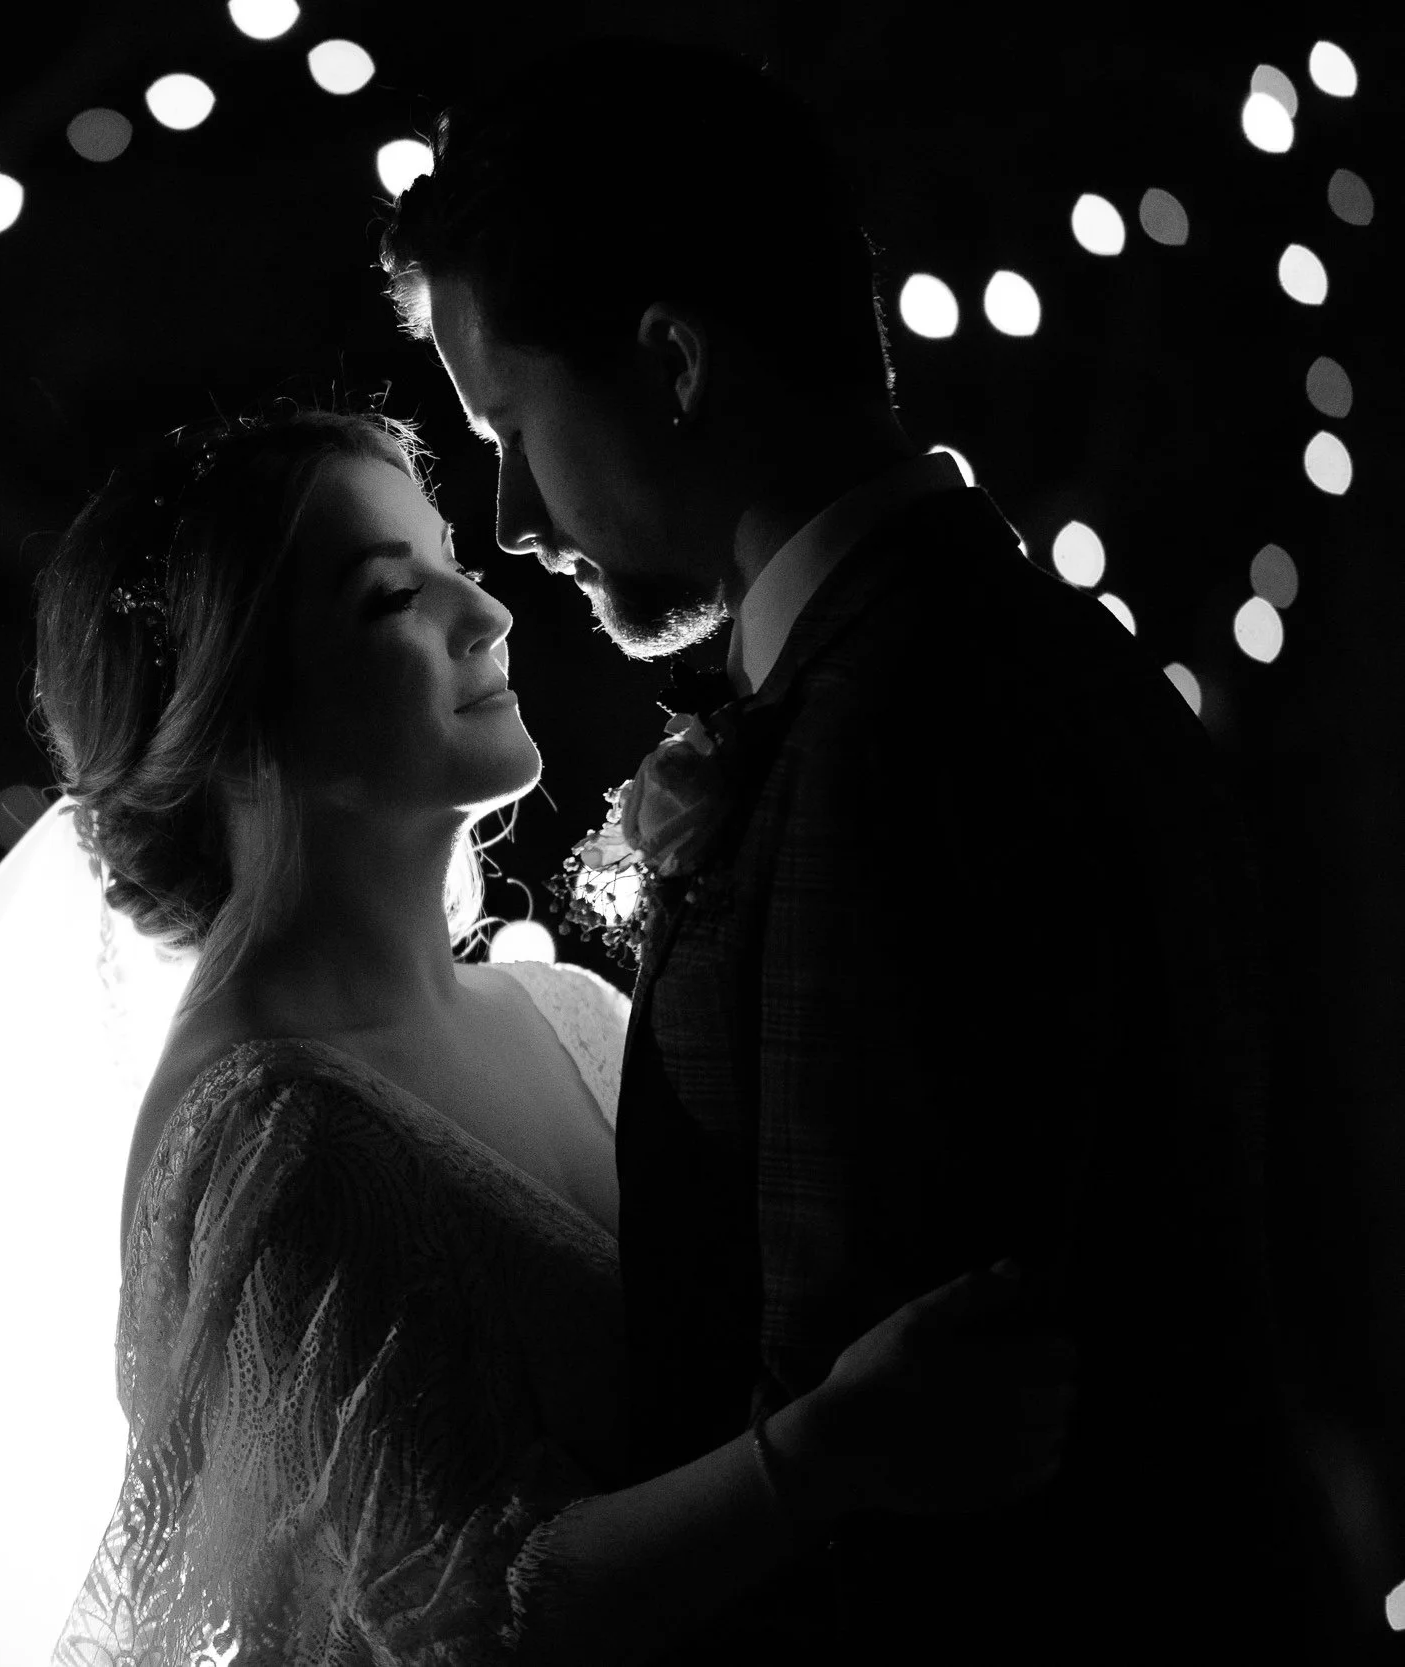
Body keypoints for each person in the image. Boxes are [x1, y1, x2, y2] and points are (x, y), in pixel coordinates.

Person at [380, 35, 1311, 1662]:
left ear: (672, 360)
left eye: (514, 421)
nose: (516, 515)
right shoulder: (999, 657)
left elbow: (886, 1492)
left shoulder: (902, 728)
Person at [44, 404, 1072, 1662]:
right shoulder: (276, 1139)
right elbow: (463, 1615)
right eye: (389, 596)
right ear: (235, 714)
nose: (487, 613)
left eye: (451, 565)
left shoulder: (569, 1011)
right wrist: (830, 1451)